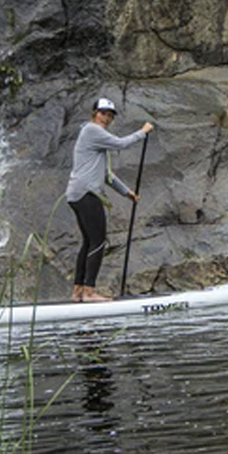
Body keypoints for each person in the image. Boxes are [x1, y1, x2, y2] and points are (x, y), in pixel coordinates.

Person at [66, 97, 153, 303]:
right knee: (98, 242)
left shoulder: (95, 139)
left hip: (77, 194)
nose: (107, 118)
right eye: (103, 113)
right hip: (87, 194)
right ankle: (89, 293)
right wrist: (143, 132)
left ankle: (78, 292)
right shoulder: (91, 130)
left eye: (110, 115)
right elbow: (121, 144)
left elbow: (106, 174)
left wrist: (127, 192)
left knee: (89, 242)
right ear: (94, 113)